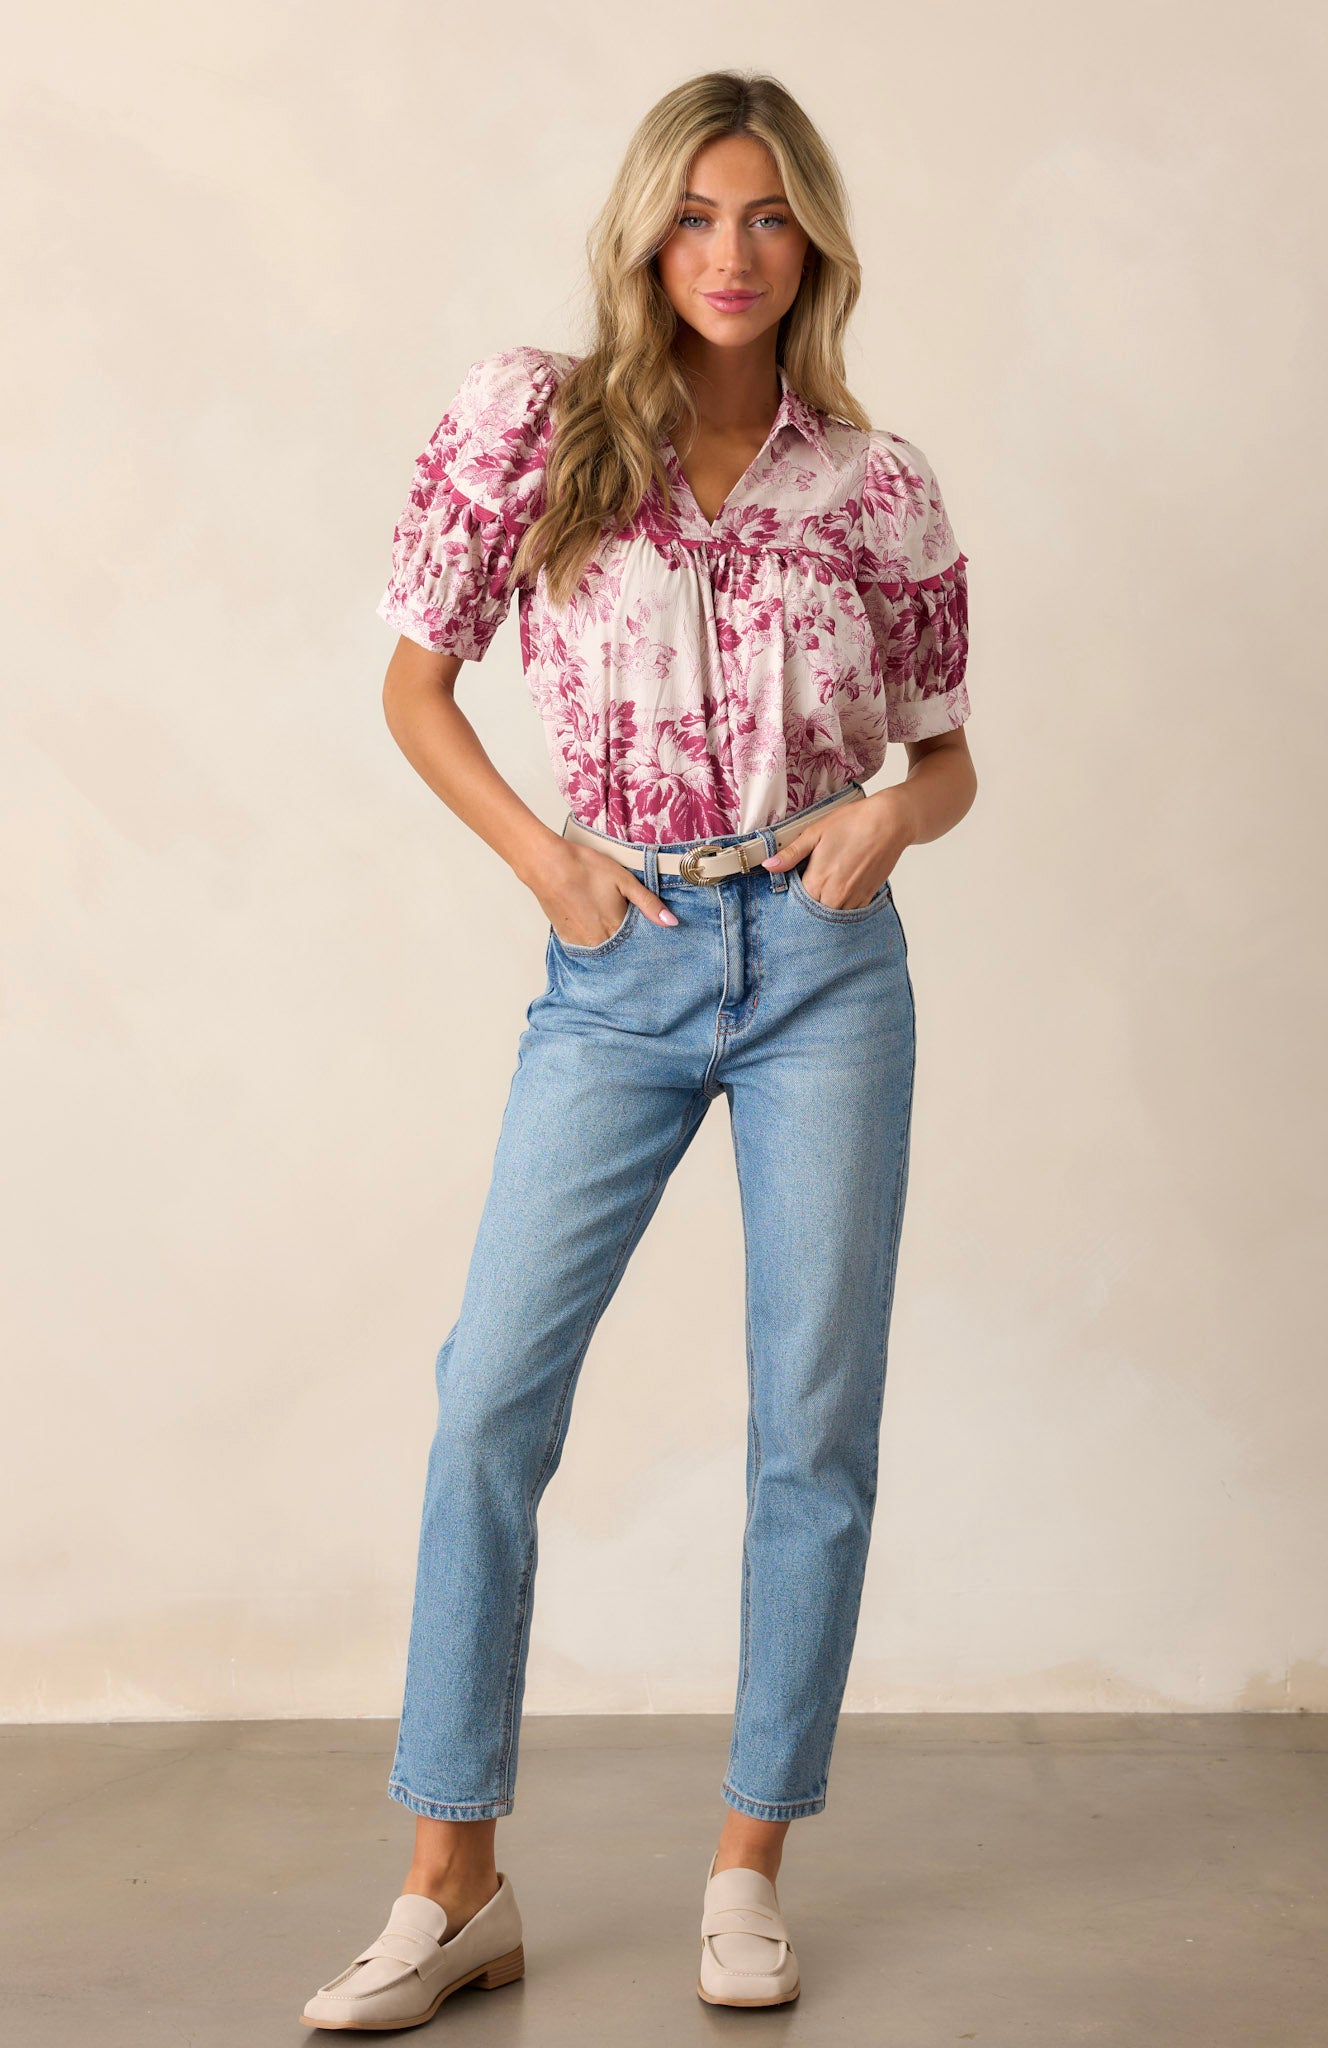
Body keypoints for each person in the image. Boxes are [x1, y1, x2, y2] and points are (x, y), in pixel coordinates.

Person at [300, 66, 975, 2030]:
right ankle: (452, 1881)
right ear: (642, 232)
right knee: (488, 1394)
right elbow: (413, 685)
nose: (732, 254)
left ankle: (747, 1859)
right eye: (696, 214)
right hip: (621, 957)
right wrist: (548, 866)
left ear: (813, 240)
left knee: (809, 1426)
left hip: (827, 964)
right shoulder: (536, 420)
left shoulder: (875, 479)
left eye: (767, 217)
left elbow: (943, 757)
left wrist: (886, 819)